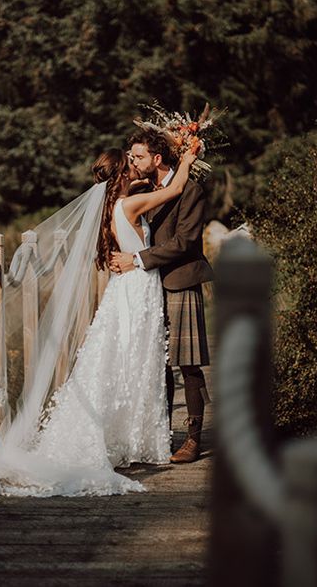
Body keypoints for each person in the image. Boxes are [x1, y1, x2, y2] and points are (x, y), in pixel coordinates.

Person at [0, 146, 197, 496]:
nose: (134, 166)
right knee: (134, 357)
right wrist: (187, 161)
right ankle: (131, 436)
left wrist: (155, 167)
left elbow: (152, 195)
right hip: (137, 288)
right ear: (121, 175)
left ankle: (130, 434)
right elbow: (174, 190)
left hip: (128, 287)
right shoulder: (128, 205)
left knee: (126, 357)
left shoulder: (111, 207)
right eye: (129, 164)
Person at [111, 129, 213, 463]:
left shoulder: (190, 191)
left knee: (188, 363)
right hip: (148, 289)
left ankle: (193, 438)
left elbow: (184, 242)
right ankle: (161, 434)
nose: (132, 162)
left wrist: (137, 260)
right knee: (156, 365)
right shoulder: (141, 190)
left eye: (138, 156)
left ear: (157, 159)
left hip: (180, 282)